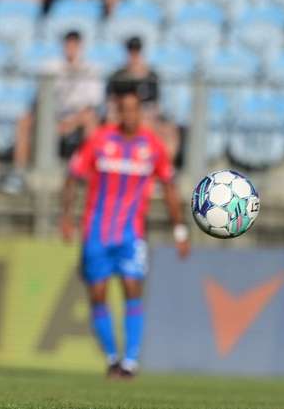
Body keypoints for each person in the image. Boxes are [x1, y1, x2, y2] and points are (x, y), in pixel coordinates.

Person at [60, 87, 190, 379]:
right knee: (98, 295)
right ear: (118, 111)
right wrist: (66, 218)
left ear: (140, 113)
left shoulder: (152, 146)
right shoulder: (100, 140)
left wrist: (180, 231)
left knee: (133, 291)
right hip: (96, 232)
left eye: (135, 109)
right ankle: (111, 357)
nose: (130, 115)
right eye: (125, 109)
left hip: (131, 235)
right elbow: (72, 177)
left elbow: (170, 186)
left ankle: (130, 362)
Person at [0, 30, 103, 194]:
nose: (71, 48)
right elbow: (43, 99)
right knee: (24, 120)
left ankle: (90, 171)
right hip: (52, 116)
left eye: (74, 44)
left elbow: (91, 105)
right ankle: (18, 171)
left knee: (90, 119)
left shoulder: (90, 70)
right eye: (69, 44)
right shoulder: (50, 67)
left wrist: (71, 123)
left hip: (76, 118)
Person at [106, 36, 180, 161]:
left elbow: (155, 105)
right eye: (131, 51)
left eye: (137, 51)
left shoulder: (151, 75)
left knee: (169, 131)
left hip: (146, 115)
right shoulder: (118, 75)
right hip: (122, 116)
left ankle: (164, 168)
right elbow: (110, 102)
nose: (134, 55)